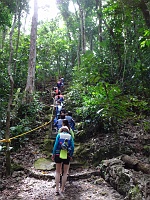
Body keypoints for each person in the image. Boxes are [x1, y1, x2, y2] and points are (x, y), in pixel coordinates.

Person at [51, 126, 74, 195]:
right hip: (66, 155)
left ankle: (57, 189)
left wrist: (53, 154)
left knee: (58, 172)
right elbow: (72, 147)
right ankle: (62, 188)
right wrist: (71, 155)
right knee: (65, 172)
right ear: (68, 131)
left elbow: (55, 145)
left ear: (61, 130)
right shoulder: (70, 136)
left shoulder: (59, 135)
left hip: (58, 155)